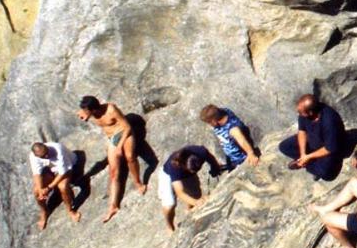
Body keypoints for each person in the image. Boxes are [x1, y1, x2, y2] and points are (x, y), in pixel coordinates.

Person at [76, 94, 146, 222]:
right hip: (112, 138)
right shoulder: (87, 111)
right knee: (114, 173)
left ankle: (138, 182)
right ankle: (113, 206)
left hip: (124, 133)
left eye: (86, 111)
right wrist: (84, 116)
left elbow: (127, 127)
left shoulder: (111, 109)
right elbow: (79, 113)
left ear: (94, 109)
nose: (83, 113)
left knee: (130, 156)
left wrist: (119, 146)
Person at [278, 94, 346, 181]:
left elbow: (329, 149)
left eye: (301, 112)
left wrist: (308, 157)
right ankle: (307, 162)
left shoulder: (329, 121)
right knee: (284, 147)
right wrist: (303, 154)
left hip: (326, 147)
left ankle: (308, 164)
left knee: (326, 174)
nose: (299, 114)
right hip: (312, 139)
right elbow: (302, 132)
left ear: (310, 112)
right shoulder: (305, 114)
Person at [158, 145, 220, 233]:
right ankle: (170, 226)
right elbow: (180, 192)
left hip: (186, 173)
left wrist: (215, 167)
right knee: (169, 204)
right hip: (167, 175)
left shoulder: (201, 152)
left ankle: (189, 210)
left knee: (196, 195)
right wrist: (196, 202)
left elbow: (211, 159)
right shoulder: (174, 166)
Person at [29, 141, 80, 229]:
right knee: (36, 191)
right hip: (51, 170)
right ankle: (44, 211)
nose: (46, 156)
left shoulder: (57, 149)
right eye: (43, 156)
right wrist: (41, 189)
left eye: (46, 153)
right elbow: (37, 174)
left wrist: (49, 187)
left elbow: (62, 172)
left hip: (66, 168)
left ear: (46, 146)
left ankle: (70, 210)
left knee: (63, 187)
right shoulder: (33, 157)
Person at [199, 104, 260, 169]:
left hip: (240, 159)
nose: (209, 124)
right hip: (230, 157)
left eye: (209, 122)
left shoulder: (232, 129)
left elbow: (241, 139)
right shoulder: (224, 112)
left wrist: (250, 153)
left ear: (214, 121)